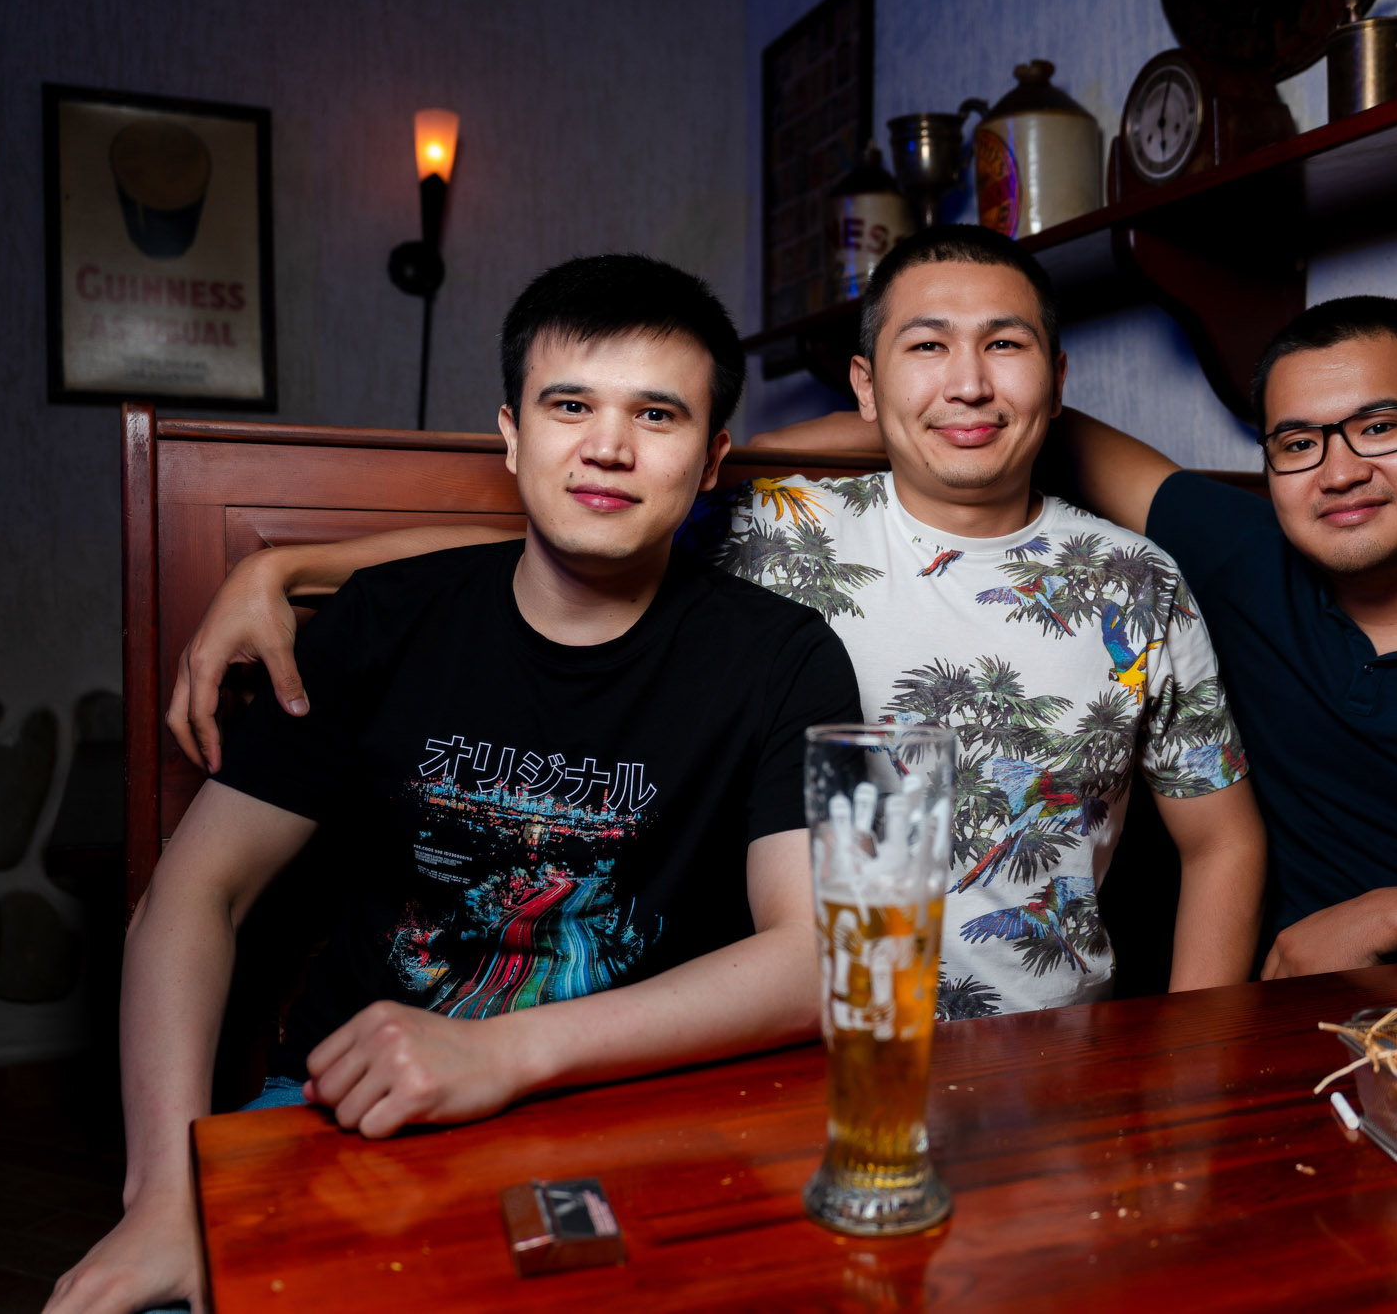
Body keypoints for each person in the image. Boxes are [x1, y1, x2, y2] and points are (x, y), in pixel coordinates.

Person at [165, 226, 1267, 1022]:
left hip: (1053, 1047)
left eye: (1005, 346)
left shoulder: (1138, 582)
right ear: (867, 383)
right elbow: (562, 536)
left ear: (1056, 378)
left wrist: (1190, 1064)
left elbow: (1219, 841)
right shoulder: (777, 528)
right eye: (927, 346)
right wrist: (289, 565)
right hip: (797, 1041)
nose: (968, 383)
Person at [46, 255, 862, 1314]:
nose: (608, 446)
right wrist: (164, 1191)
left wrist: (500, 1053)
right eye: (569, 405)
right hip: (352, 1107)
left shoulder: (782, 657)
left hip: (644, 1112)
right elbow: (195, 892)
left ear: (710, 462)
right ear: (512, 434)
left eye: (656, 414)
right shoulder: (384, 622)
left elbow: (812, 962)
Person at [758, 296, 1397, 978]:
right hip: (1303, 1026)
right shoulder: (1243, 554)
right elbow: (1029, 424)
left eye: (1380, 427)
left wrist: (1393, 916)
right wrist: (765, 447)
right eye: (1298, 443)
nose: (1339, 470)